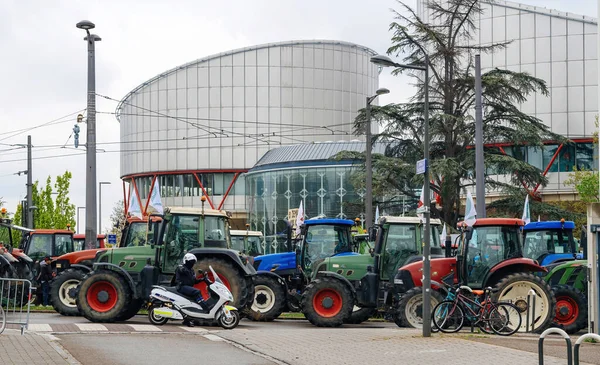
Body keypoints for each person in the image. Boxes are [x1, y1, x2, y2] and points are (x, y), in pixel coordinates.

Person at [175, 253, 207, 326]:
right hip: (182, 287)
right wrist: (184, 269)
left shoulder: (191, 270)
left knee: (193, 302)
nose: (192, 263)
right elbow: (180, 270)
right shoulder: (181, 268)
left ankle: (189, 319)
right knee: (197, 291)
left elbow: (194, 281)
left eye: (193, 262)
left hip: (187, 287)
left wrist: (203, 279)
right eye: (190, 262)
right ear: (186, 261)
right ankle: (205, 307)